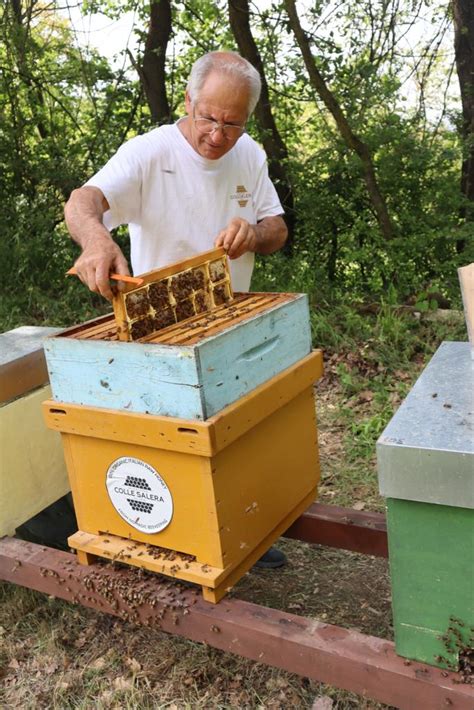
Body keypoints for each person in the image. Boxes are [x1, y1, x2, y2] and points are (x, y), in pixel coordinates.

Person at [64, 50, 288, 569]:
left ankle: (245, 524)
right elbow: (83, 200)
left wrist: (253, 233)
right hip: (158, 328)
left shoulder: (249, 154)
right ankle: (182, 538)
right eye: (208, 117)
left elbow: (276, 227)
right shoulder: (148, 152)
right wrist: (97, 242)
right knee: (175, 445)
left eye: (232, 123)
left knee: (239, 429)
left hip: (228, 318)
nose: (218, 134)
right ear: (188, 101)